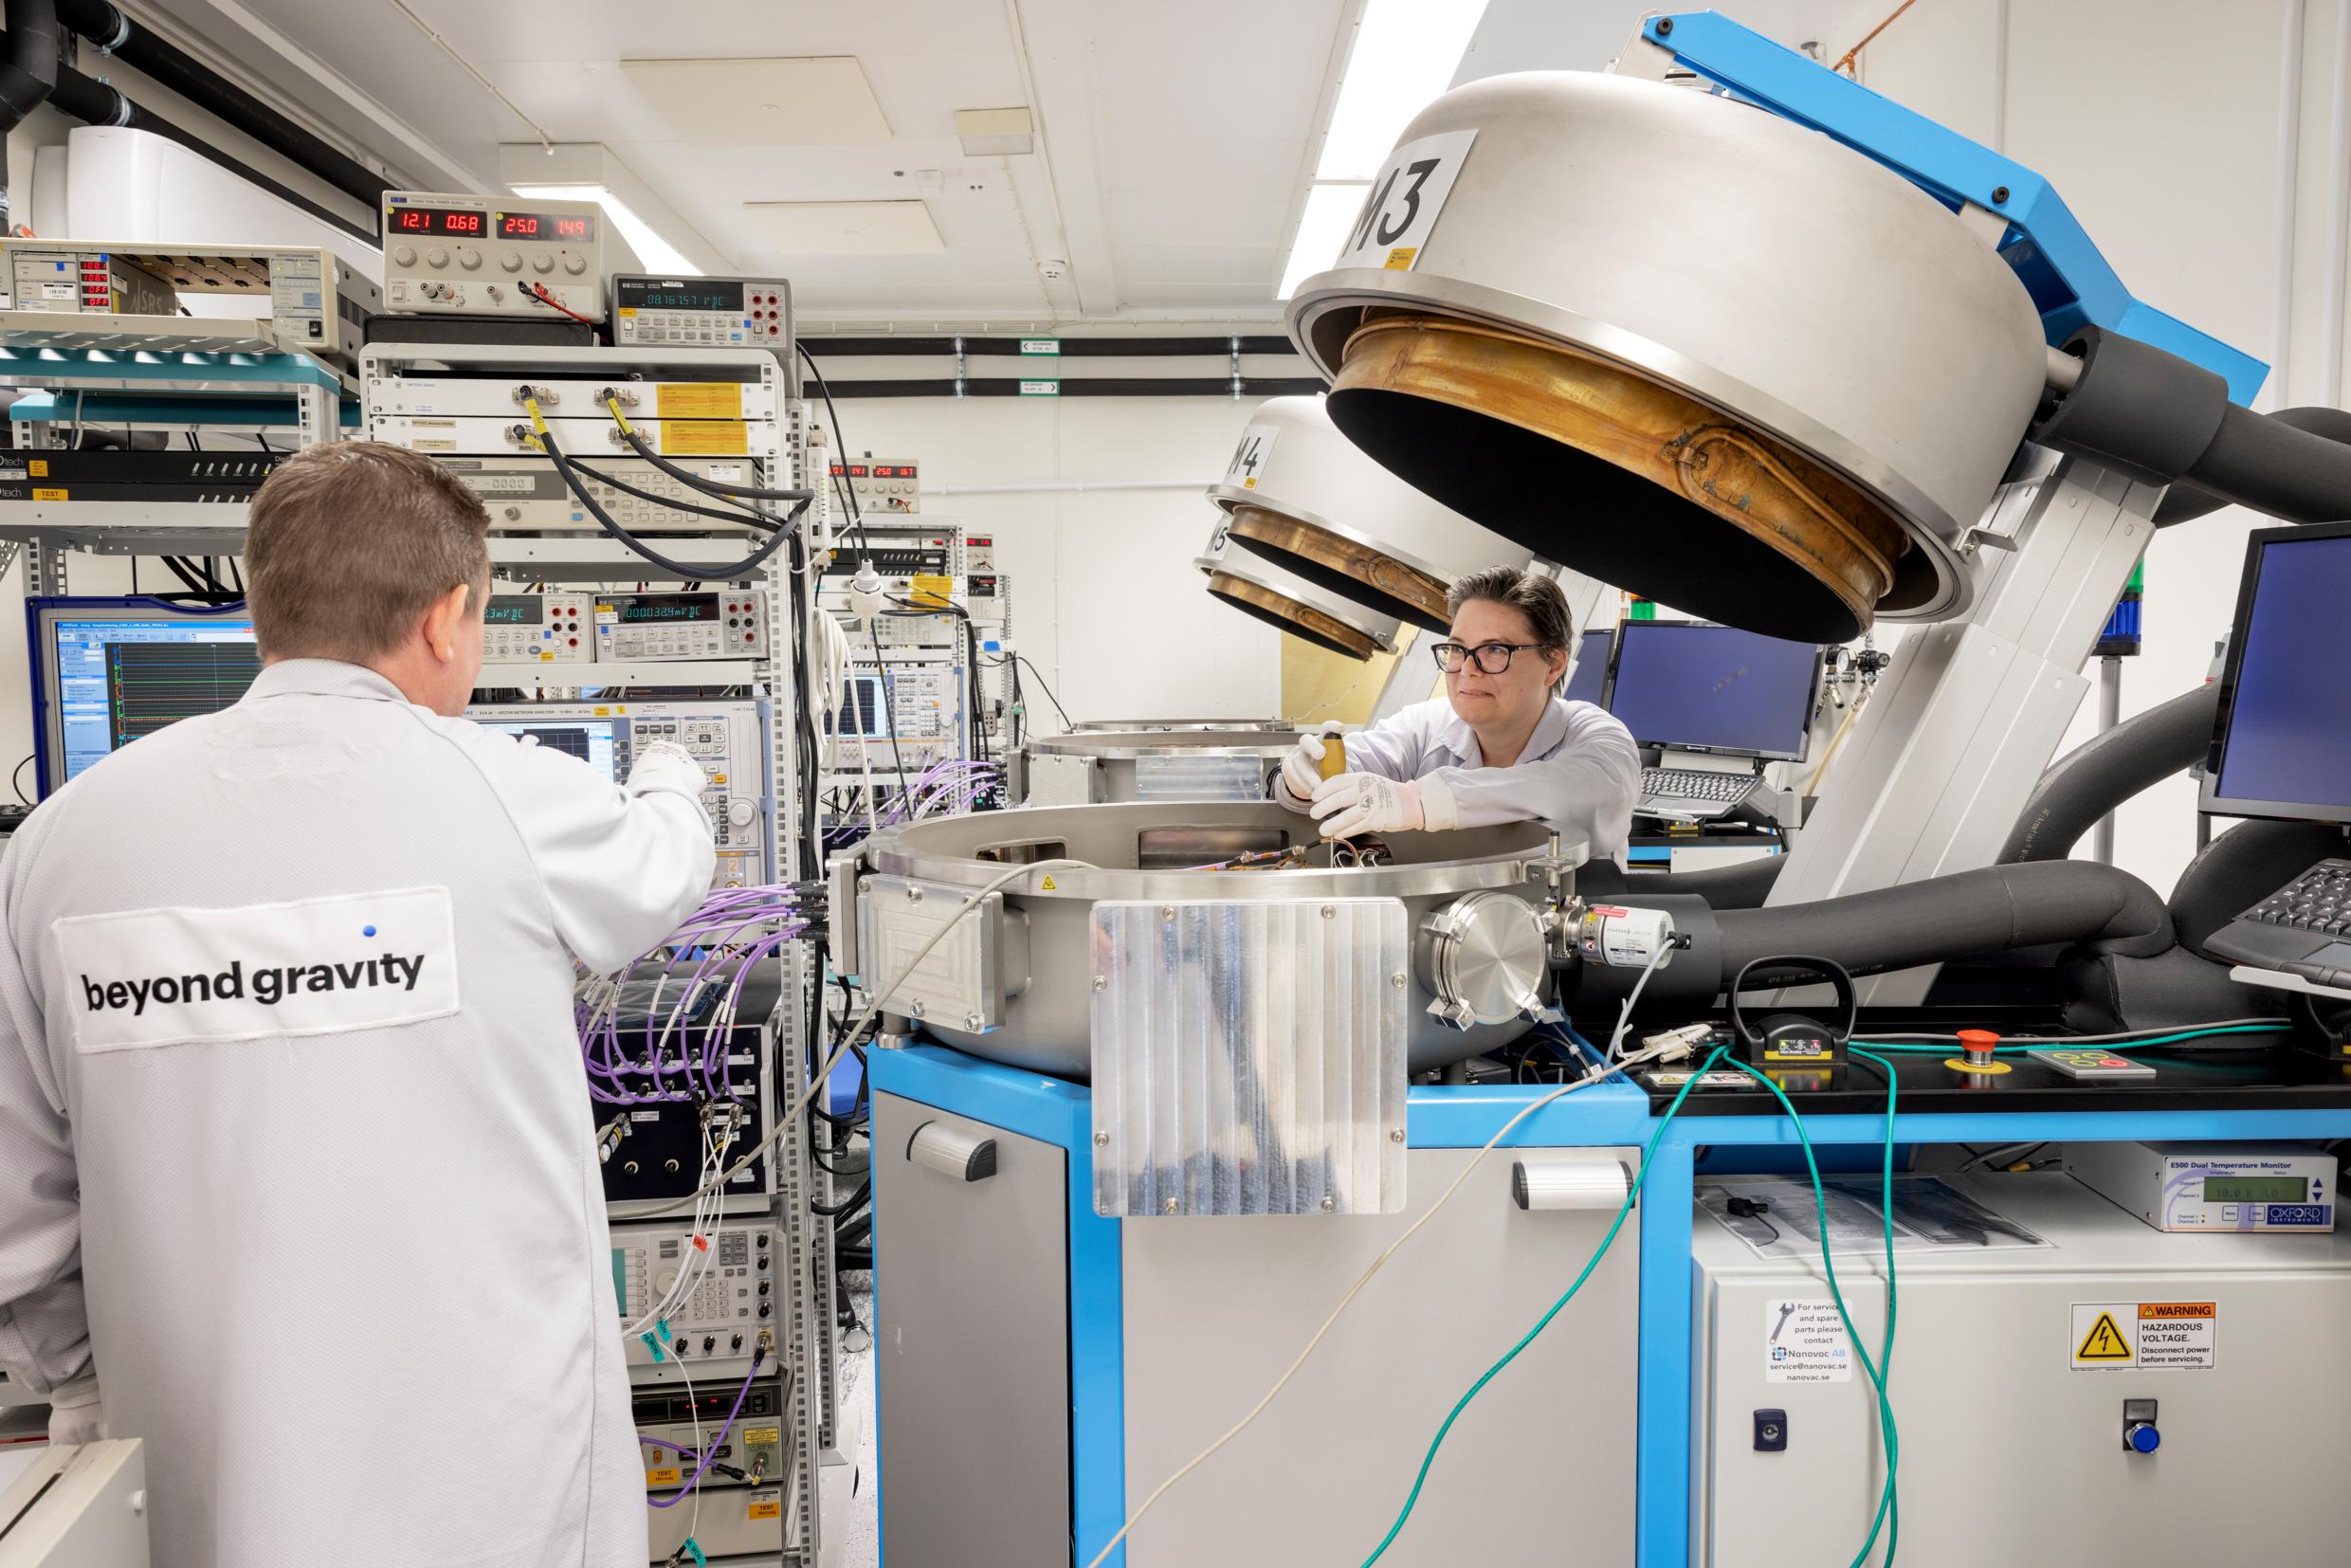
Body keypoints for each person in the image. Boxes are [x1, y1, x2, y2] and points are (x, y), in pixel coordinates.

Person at [0, 442, 714, 1567]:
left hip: (197, 1472)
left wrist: (87, 1385)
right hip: (493, 1477)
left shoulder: (55, 847)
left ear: (261, 608)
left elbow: (20, 1216)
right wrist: (675, 768)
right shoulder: (507, 791)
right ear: (443, 619)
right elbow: (666, 862)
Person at [1277, 565, 1641, 862]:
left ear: (1554, 664)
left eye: (1495, 649)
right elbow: (1355, 763)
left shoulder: (1597, 736)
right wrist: (1303, 779)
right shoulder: (1426, 725)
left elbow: (1573, 784)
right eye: (1456, 648)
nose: (1467, 668)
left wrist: (1420, 801)